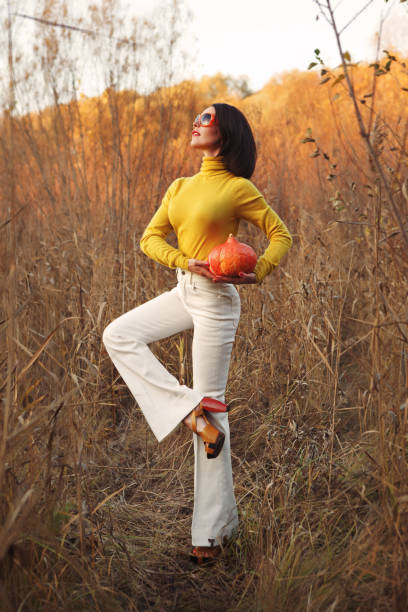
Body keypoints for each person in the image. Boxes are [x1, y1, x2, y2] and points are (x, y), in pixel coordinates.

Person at [103, 103, 292, 564]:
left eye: (206, 118)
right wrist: (183, 261)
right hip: (185, 288)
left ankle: (211, 534)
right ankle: (187, 411)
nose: (196, 122)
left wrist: (258, 272)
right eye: (197, 117)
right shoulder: (180, 187)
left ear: (223, 133)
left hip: (217, 302)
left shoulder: (236, 188)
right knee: (118, 334)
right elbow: (150, 238)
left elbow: (281, 234)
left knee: (214, 404)